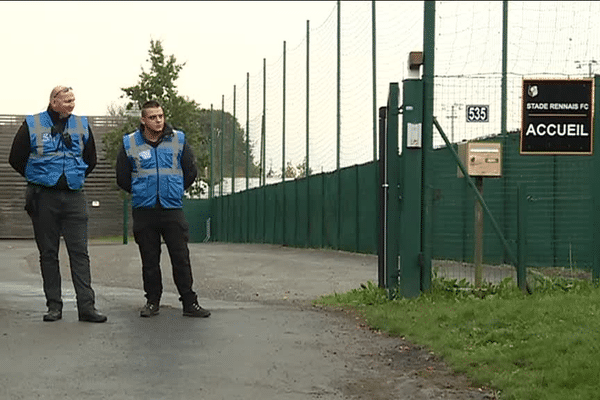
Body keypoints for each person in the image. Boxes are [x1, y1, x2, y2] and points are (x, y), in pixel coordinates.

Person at [8, 86, 107, 323]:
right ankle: (54, 305)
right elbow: (16, 158)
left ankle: (86, 307)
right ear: (54, 102)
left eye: (73, 100)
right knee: (48, 253)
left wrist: (73, 176)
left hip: (74, 196)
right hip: (43, 197)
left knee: (80, 253)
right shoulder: (32, 124)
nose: (72, 104)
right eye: (67, 100)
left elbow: (90, 160)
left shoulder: (82, 125)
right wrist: (39, 177)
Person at [116, 100, 210, 318]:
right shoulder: (130, 143)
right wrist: (142, 191)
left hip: (172, 208)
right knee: (149, 259)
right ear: (143, 120)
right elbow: (122, 177)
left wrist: (174, 189)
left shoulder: (178, 139)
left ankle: (189, 302)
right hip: (144, 209)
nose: (158, 120)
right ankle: (152, 301)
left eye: (160, 116)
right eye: (152, 117)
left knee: (181, 256)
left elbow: (190, 171)